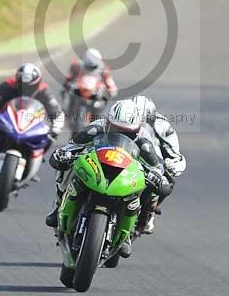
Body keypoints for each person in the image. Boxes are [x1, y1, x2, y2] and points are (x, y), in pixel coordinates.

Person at [46, 99, 172, 255]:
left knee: (147, 186)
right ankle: (58, 204)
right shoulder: (96, 128)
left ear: (136, 129)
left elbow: (157, 166)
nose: (121, 133)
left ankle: (128, 232)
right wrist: (64, 153)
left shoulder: (144, 140)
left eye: (127, 132)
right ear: (109, 122)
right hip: (97, 166)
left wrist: (159, 178)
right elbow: (72, 145)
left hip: (125, 172)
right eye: (115, 129)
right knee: (69, 164)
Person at [0, 63, 64, 167]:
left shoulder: (44, 91)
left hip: (31, 123)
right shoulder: (7, 86)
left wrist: (55, 129)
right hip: (8, 120)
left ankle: (36, 158)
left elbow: (57, 113)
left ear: (37, 83)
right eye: (22, 85)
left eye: (30, 86)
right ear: (17, 81)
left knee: (50, 136)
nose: (26, 89)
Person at [131, 94, 187, 234]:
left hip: (152, 163)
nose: (140, 127)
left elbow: (176, 156)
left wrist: (172, 164)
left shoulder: (163, 127)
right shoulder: (122, 119)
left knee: (166, 182)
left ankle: (149, 212)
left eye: (145, 122)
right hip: (125, 156)